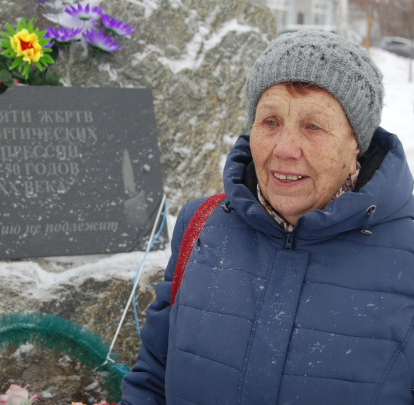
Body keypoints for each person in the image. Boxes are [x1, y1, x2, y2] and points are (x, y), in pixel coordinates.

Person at [119, 30, 414, 405]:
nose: (285, 149)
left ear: (356, 143)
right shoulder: (200, 224)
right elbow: (152, 382)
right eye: (270, 121)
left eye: (313, 126)